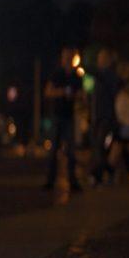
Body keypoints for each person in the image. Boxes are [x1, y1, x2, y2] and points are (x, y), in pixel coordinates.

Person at [44, 47, 84, 192]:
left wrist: (74, 95)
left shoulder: (76, 76)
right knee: (53, 149)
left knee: (71, 150)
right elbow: (48, 92)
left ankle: (73, 180)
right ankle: (50, 180)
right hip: (57, 116)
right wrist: (61, 92)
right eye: (65, 57)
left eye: (69, 57)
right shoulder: (57, 74)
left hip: (69, 116)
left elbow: (81, 94)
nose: (67, 59)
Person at [89, 48, 121, 186]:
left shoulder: (109, 75)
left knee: (100, 146)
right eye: (98, 58)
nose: (99, 61)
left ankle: (99, 175)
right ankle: (106, 173)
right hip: (97, 117)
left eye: (101, 58)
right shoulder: (100, 77)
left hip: (106, 117)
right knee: (99, 147)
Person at [112, 59, 129, 188]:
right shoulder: (121, 87)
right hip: (124, 123)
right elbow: (122, 106)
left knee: (119, 151)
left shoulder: (122, 87)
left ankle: (106, 174)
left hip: (124, 123)